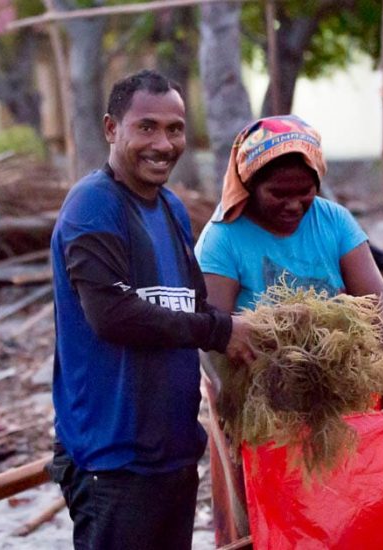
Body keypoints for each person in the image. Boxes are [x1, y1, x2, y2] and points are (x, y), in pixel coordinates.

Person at [46, 69, 254, 550]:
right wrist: (222, 331)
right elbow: (113, 315)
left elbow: (191, 309)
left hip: (174, 453)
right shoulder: (93, 205)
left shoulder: (172, 210)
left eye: (175, 129)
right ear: (111, 129)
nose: (163, 143)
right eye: (147, 127)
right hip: (113, 460)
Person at [194, 115, 383, 544]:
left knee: (345, 509)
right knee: (267, 522)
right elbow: (210, 336)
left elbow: (378, 301)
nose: (295, 204)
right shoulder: (223, 239)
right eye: (279, 193)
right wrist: (251, 396)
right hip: (260, 410)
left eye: (305, 191)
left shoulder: (333, 221)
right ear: (248, 186)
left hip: (336, 399)